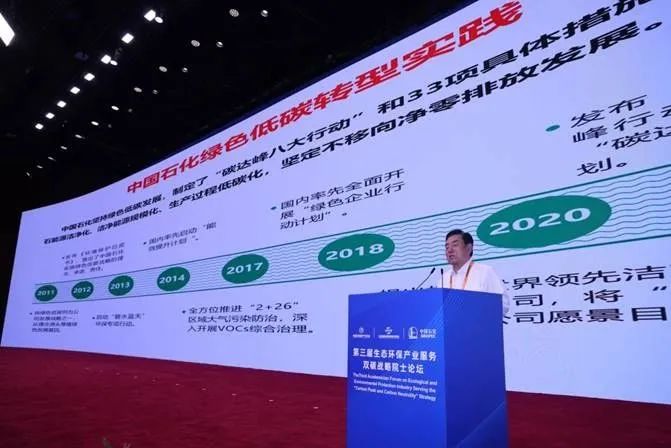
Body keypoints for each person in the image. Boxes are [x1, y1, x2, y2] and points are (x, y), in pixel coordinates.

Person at [440, 229, 510, 314]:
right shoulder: (444, 278)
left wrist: (477, 309)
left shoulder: (485, 272)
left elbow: (504, 304)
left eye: (455, 245)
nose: (449, 250)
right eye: (447, 247)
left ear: (468, 248)